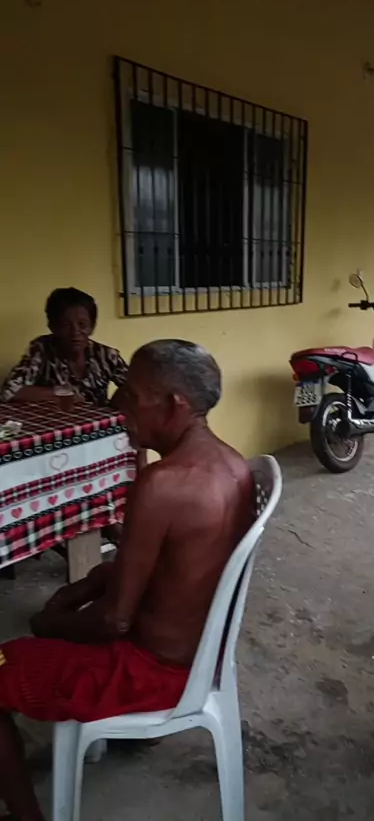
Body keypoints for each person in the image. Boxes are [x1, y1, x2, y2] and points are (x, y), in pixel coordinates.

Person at [0, 339, 255, 821]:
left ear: (174, 405)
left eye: (132, 394)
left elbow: (113, 622)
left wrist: (49, 625)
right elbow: (163, 568)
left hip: (149, 674)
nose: (119, 405)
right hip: (200, 658)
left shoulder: (161, 485)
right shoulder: (233, 464)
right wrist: (83, 587)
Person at [1, 287, 128, 406]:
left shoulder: (107, 356)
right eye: (65, 325)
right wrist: (61, 392)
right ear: (53, 327)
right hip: (55, 420)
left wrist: (111, 408)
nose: (75, 332)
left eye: (82, 324)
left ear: (92, 326)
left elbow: (134, 388)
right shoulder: (42, 349)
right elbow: (9, 391)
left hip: (98, 422)